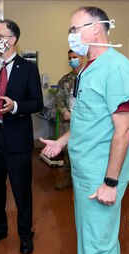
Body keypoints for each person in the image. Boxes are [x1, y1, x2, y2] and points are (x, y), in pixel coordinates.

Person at [40, 6, 129, 254]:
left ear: (96, 28)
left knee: (97, 248)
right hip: (87, 169)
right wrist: (62, 141)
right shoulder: (88, 68)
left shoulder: (116, 69)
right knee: (96, 244)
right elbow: (89, 118)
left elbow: (124, 129)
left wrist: (110, 182)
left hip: (101, 175)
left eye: (74, 29)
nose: (70, 36)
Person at [0, 19, 43, 254]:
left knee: (21, 191)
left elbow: (37, 102)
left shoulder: (28, 69)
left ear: (12, 39)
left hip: (18, 140)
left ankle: (25, 235)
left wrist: (15, 105)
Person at [53, 50, 84, 190]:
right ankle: (68, 178)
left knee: (84, 150)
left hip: (86, 121)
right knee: (67, 150)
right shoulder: (65, 80)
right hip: (68, 121)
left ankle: (83, 181)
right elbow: (58, 98)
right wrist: (63, 111)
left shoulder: (89, 75)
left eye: (75, 57)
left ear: (82, 58)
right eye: (70, 58)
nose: (72, 60)